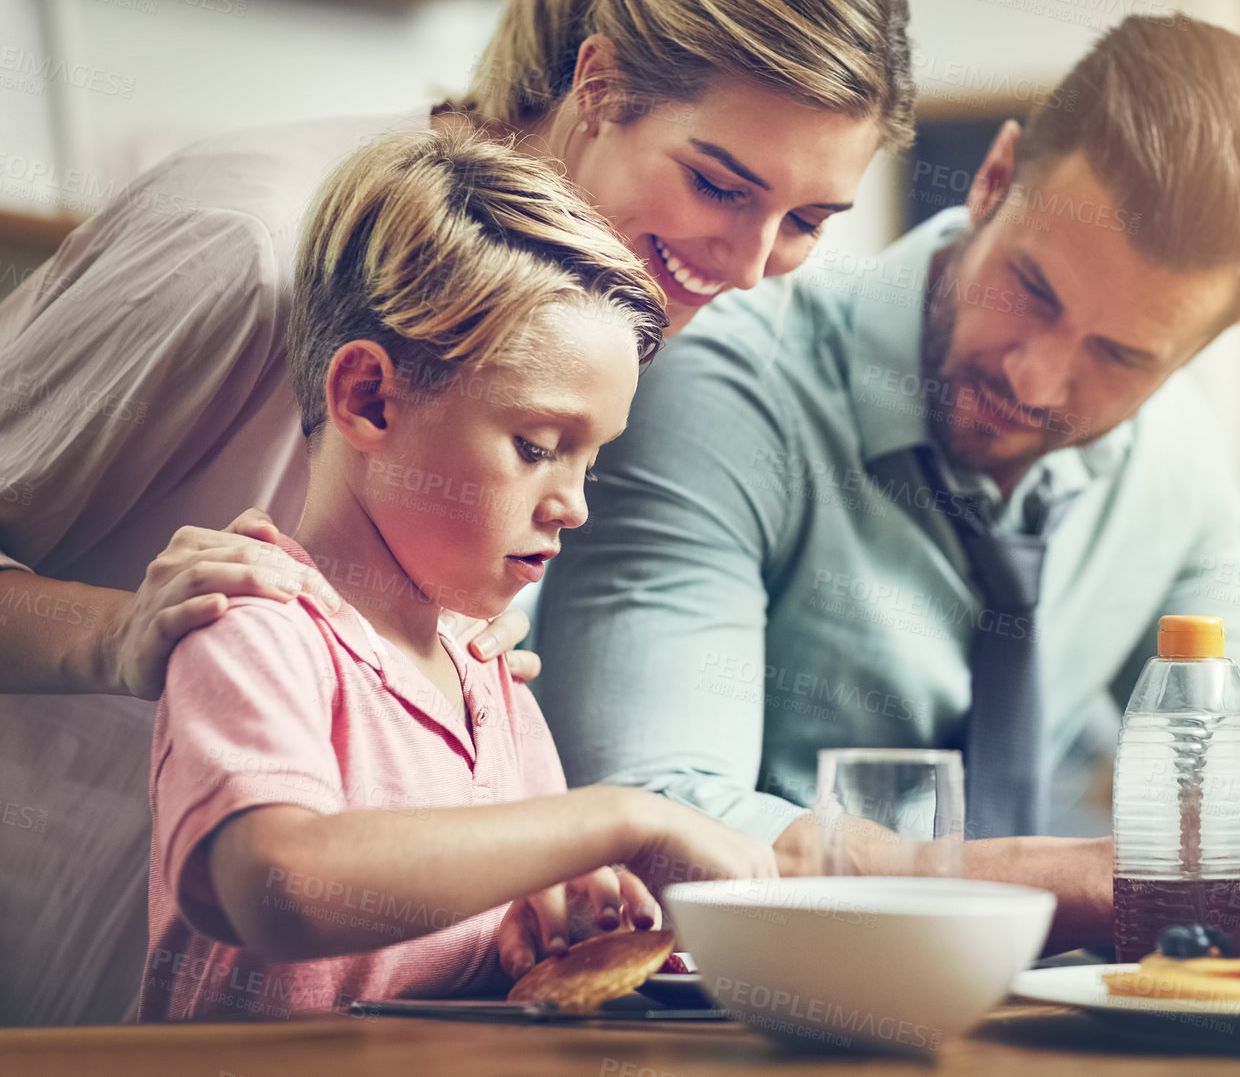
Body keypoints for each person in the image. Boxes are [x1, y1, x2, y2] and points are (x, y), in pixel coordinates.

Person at [0, 0, 912, 1024]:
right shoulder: (247, 243)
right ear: (601, 81)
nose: (753, 263)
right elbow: (286, 868)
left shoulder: (617, 321)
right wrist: (120, 632)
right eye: (720, 183)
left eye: (808, 221)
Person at [533, 14, 1240, 952]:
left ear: (1198, 350)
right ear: (994, 181)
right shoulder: (726, 385)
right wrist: (1082, 878)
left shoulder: (1172, 461)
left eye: (1120, 354)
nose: (1035, 380)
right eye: (1032, 288)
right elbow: (648, 810)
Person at [142, 125, 775, 1022]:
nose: (574, 505)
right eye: (538, 448)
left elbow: (465, 928)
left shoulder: (492, 678)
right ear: (368, 397)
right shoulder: (256, 625)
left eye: (588, 462)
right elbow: (277, 883)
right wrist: (622, 818)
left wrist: (537, 924)